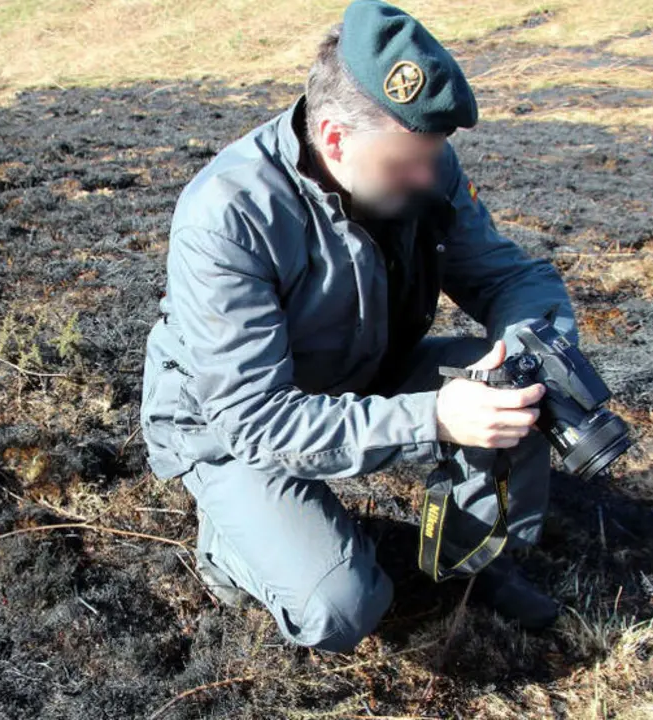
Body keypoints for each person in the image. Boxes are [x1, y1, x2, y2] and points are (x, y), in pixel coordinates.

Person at [138, 0, 580, 654]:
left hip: (364, 367)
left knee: (522, 385)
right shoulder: (229, 215)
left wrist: (526, 350)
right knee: (341, 606)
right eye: (406, 163)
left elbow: (508, 276)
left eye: (433, 157)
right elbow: (254, 419)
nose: (428, 176)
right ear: (336, 138)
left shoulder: (423, 164)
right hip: (229, 426)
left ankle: (472, 562)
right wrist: (434, 418)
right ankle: (227, 549)